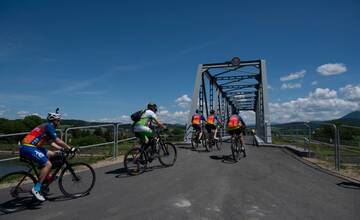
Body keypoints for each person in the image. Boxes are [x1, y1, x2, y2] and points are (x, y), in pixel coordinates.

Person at [19, 109, 73, 201]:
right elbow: (57, 140)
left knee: (52, 154)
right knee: (48, 164)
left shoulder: (45, 127)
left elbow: (51, 142)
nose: (59, 122)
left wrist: (61, 149)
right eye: (58, 120)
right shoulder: (49, 126)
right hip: (29, 147)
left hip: (32, 147)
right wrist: (69, 148)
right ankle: (36, 189)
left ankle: (46, 177)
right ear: (54, 120)